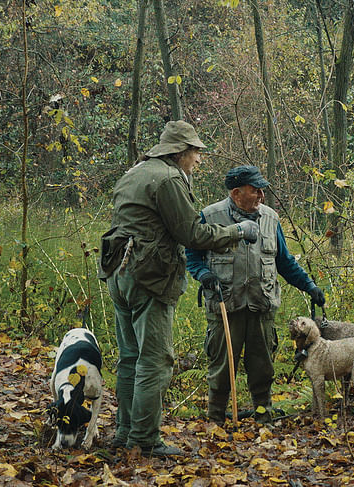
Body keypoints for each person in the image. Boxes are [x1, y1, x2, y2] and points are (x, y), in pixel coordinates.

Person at [98, 121, 259, 457]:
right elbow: (193, 235)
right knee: (154, 360)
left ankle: (125, 434)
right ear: (180, 152)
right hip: (149, 277)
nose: (199, 160)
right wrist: (239, 232)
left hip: (119, 272)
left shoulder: (136, 171)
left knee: (130, 358)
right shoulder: (169, 178)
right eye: (196, 152)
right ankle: (144, 441)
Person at [185, 165, 325, 424]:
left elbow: (284, 262)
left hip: (262, 306)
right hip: (225, 306)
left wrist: (309, 286)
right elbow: (192, 256)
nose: (262, 196)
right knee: (222, 368)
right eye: (255, 190)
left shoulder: (271, 218)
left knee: (262, 368)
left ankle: (263, 416)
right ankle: (216, 419)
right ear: (236, 193)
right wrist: (203, 274)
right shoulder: (210, 216)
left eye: (263, 190)